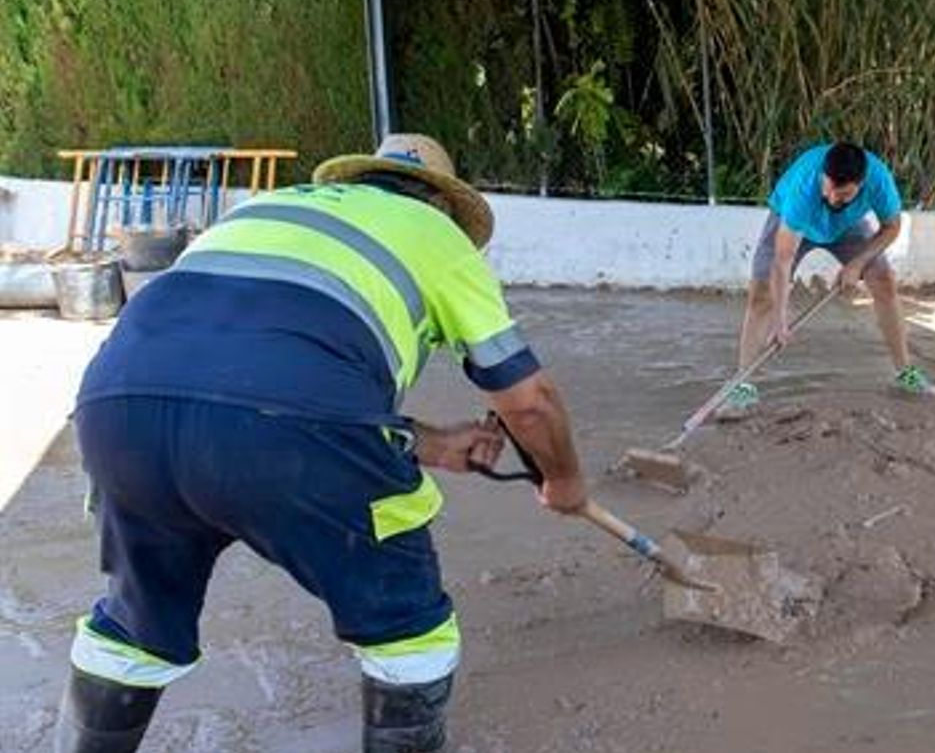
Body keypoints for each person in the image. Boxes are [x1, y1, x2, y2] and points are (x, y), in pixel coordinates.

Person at [54, 134, 589, 752]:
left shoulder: (262, 211)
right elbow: (530, 402)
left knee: (132, 628)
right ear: (441, 204)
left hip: (117, 412)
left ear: (358, 180)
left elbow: (242, 368)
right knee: (408, 629)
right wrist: (565, 479)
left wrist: (431, 444)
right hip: (289, 429)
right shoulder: (434, 234)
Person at [716, 141, 935, 419]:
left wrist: (857, 264)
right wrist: (780, 319)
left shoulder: (879, 181)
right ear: (823, 176)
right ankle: (743, 387)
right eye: (829, 189)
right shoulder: (804, 189)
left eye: (843, 194)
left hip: (847, 225)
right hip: (793, 221)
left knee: (884, 281)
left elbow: (892, 227)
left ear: (861, 184)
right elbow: (782, 261)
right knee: (762, 296)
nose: (833, 198)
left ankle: (905, 373)